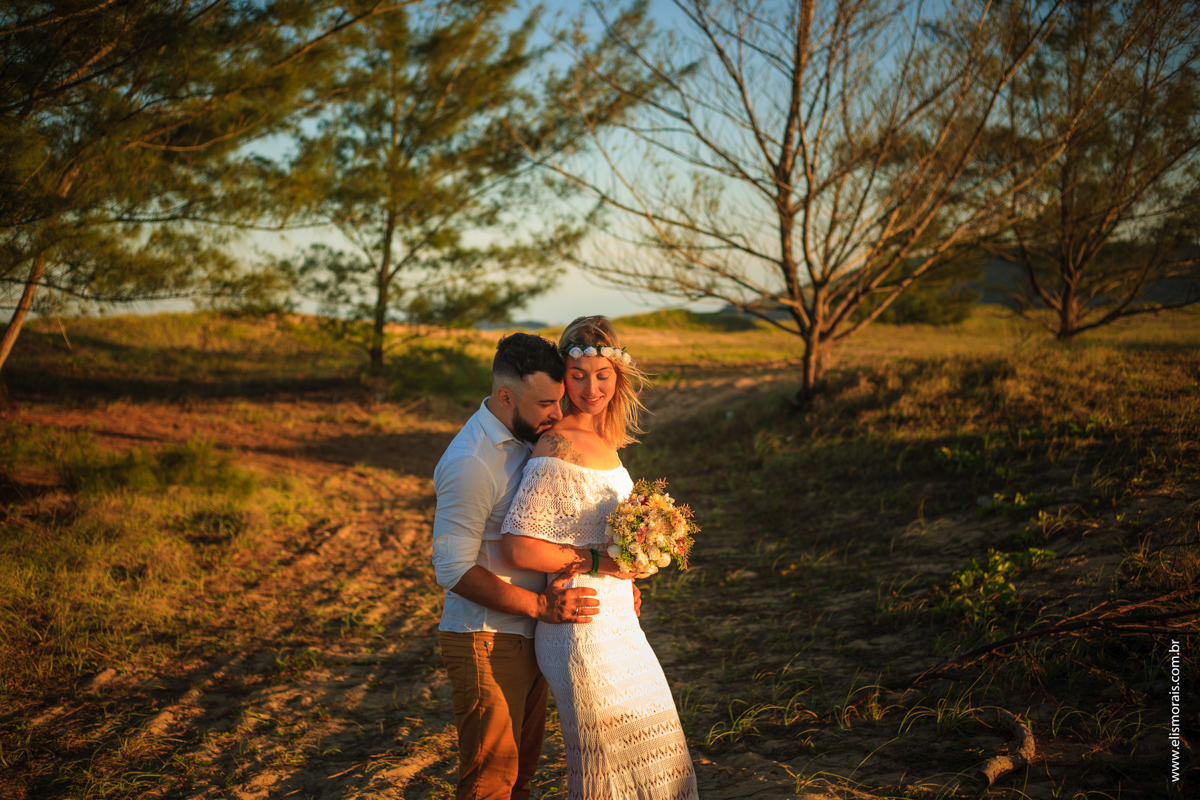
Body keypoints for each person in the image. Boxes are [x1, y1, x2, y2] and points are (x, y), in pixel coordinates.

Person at [431, 332, 640, 800]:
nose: (556, 414)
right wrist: (540, 605)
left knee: (521, 775)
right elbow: (451, 568)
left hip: (536, 629)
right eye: (546, 402)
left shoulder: (530, 438)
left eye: (558, 400)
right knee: (490, 780)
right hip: (486, 637)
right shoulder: (470, 461)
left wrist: (609, 577)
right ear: (506, 396)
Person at [501, 316, 699, 800]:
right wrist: (599, 565)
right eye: (579, 375)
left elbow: (596, 532)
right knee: (606, 765)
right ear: (564, 377)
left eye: (602, 376)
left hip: (618, 621)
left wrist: (636, 562)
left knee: (659, 752)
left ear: (619, 378)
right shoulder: (556, 444)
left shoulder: (608, 443)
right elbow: (520, 546)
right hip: (579, 627)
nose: (591, 387)